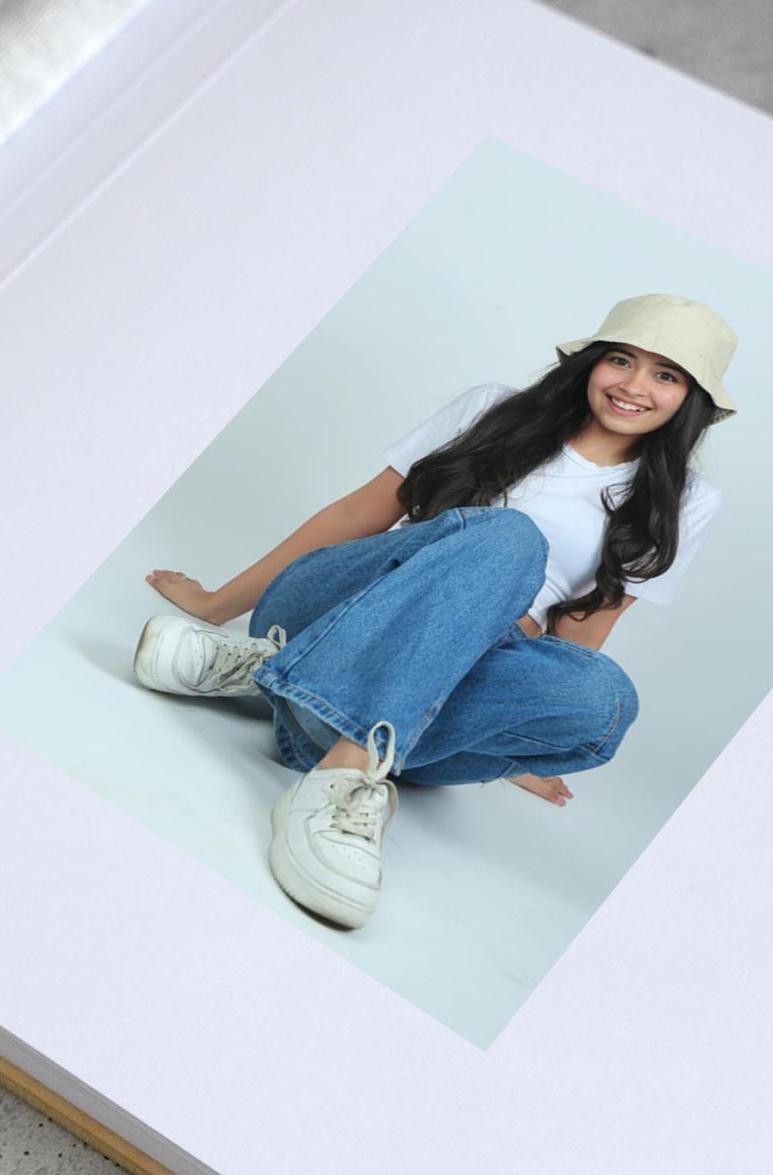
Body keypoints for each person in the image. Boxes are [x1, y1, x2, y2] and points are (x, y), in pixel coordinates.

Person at [132, 295, 736, 929]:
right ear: (591, 362)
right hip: (337, 605)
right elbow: (357, 516)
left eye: (665, 375)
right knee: (510, 539)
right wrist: (217, 604)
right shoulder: (492, 409)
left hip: (448, 684)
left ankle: (285, 682)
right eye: (621, 359)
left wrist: (515, 734)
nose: (634, 386)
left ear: (691, 398)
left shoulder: (686, 499)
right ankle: (339, 770)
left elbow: (585, 623)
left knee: (603, 706)